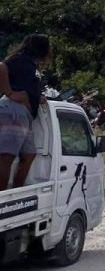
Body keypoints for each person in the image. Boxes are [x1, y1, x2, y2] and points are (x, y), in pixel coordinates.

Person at [0, 34, 50, 190]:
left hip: (23, 115)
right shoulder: (21, 59)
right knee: (7, 157)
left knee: (29, 155)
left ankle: (15, 191)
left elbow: (26, 85)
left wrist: (37, 97)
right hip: (14, 111)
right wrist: (9, 91)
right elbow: (1, 66)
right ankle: (2, 198)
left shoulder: (31, 64)